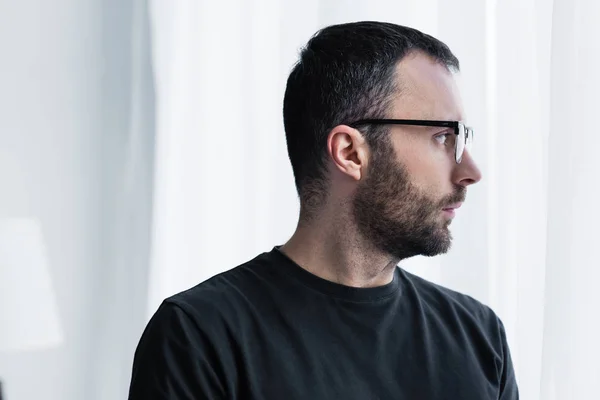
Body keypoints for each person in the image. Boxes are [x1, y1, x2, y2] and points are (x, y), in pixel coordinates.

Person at [128, 21, 519, 399]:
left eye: (463, 139)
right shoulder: (201, 336)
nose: (471, 171)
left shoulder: (480, 338)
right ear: (350, 153)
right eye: (442, 138)